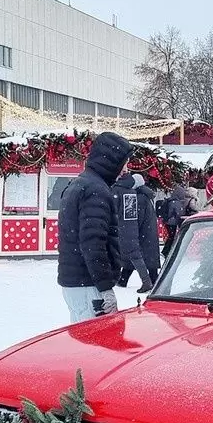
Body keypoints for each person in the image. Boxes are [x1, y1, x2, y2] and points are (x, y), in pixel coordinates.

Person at [57, 131, 132, 323]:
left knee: (82, 335)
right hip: (89, 285)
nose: (126, 169)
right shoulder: (95, 191)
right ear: (110, 161)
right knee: (97, 338)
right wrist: (105, 287)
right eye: (124, 163)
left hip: (77, 282)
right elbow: (93, 244)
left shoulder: (81, 184)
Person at [113, 173, 160, 292]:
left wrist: (132, 230)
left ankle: (148, 281)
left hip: (142, 232)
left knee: (135, 254)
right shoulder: (146, 195)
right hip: (149, 232)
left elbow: (135, 218)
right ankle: (125, 279)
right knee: (144, 256)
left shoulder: (139, 198)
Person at [159, 185, 192, 257]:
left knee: (171, 237)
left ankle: (167, 250)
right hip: (172, 222)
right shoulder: (176, 202)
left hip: (169, 221)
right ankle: (166, 251)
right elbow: (178, 213)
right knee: (171, 237)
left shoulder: (171, 200)